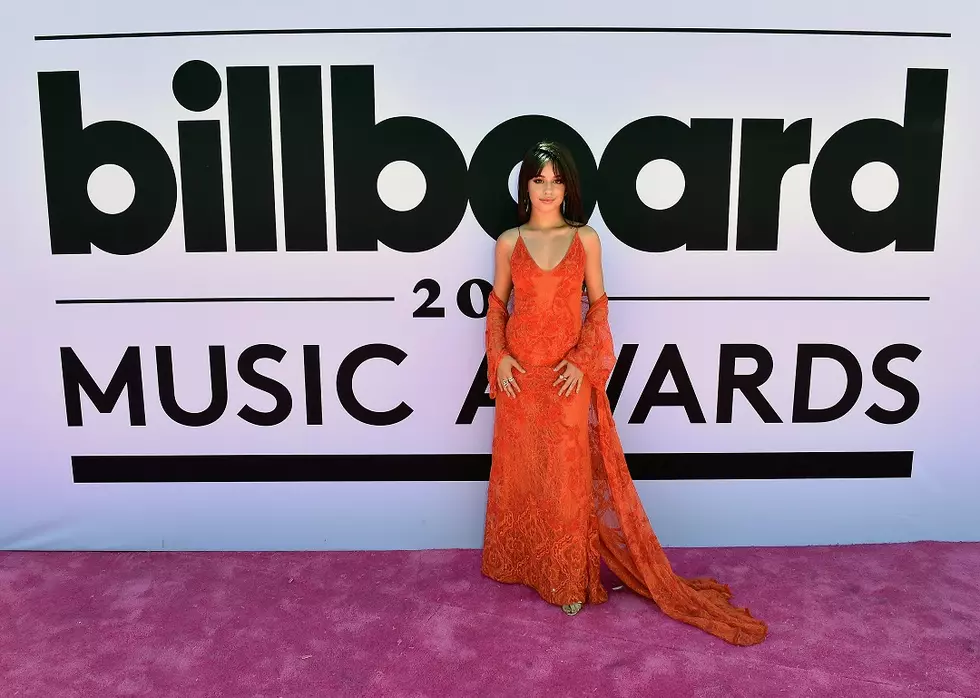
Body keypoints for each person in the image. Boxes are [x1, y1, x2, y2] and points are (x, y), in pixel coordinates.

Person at [480, 141, 768, 646]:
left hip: (568, 375)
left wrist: (583, 362)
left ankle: (567, 579)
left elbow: (600, 308)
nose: (547, 189)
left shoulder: (585, 238)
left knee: (569, 479)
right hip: (520, 377)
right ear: (525, 185)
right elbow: (497, 305)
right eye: (538, 179)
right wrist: (499, 355)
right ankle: (523, 563)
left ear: (568, 186)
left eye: (556, 180)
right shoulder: (508, 242)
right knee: (522, 470)